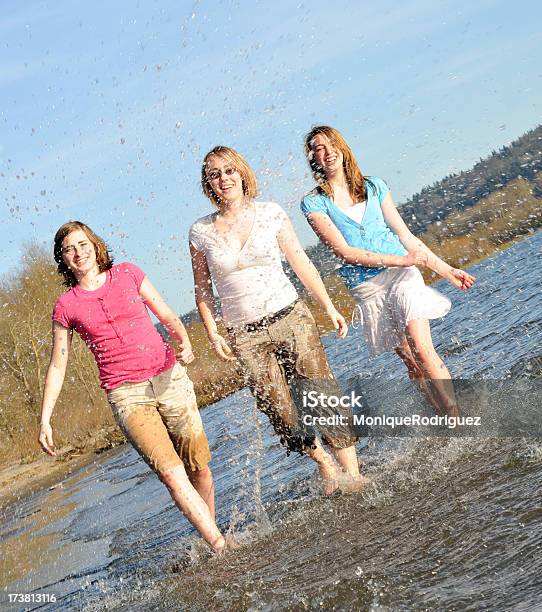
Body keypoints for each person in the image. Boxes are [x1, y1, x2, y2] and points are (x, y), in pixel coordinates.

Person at [38, 221, 226, 553]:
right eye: (69, 249)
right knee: (171, 475)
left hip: (169, 377)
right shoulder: (66, 306)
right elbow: (58, 364)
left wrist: (183, 340)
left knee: (200, 469)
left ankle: (209, 537)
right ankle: (221, 545)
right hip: (126, 395)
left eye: (83, 244)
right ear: (63, 260)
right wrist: (45, 419)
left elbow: (167, 315)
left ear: (96, 246)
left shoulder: (127, 273)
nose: (78, 252)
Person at [189, 146, 365, 494]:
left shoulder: (270, 213)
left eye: (229, 171)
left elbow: (300, 262)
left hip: (291, 317)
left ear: (241, 173)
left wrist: (328, 306)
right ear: (208, 184)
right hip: (245, 335)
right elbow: (202, 289)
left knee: (322, 396)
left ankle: (355, 476)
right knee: (281, 412)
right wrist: (213, 332)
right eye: (214, 174)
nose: (223, 179)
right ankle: (325, 464)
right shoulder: (200, 232)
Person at [301, 126, 475, 417]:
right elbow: (345, 252)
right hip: (368, 285)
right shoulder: (313, 203)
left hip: (403, 274)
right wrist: (401, 261)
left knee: (421, 348)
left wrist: (445, 269)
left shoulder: (374, 186)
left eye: (332, 144)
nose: (328, 151)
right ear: (314, 159)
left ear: (343, 149)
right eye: (319, 148)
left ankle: (457, 417)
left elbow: (405, 236)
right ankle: (441, 416)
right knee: (409, 360)